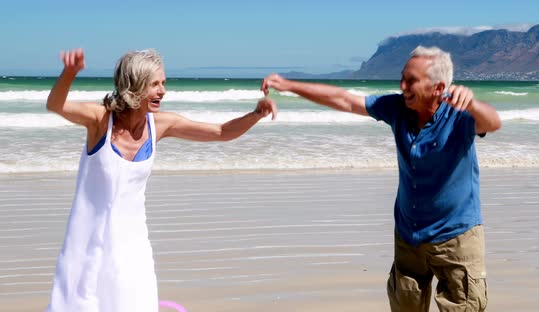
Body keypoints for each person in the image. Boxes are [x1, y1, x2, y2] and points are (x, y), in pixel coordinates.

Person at [261, 46, 501, 311]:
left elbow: (492, 123)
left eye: (411, 80)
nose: (402, 86)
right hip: (409, 237)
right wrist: (288, 85)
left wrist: (473, 103)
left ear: (437, 87)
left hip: (456, 238)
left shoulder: (460, 116)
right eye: (402, 78)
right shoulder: (397, 108)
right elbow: (345, 100)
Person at [45, 48, 276, 312]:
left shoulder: (162, 124)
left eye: (163, 83)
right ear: (135, 85)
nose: (162, 91)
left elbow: (220, 132)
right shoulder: (101, 121)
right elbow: (55, 105)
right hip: (86, 242)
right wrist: (70, 73)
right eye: (155, 84)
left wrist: (255, 114)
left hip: (131, 243)